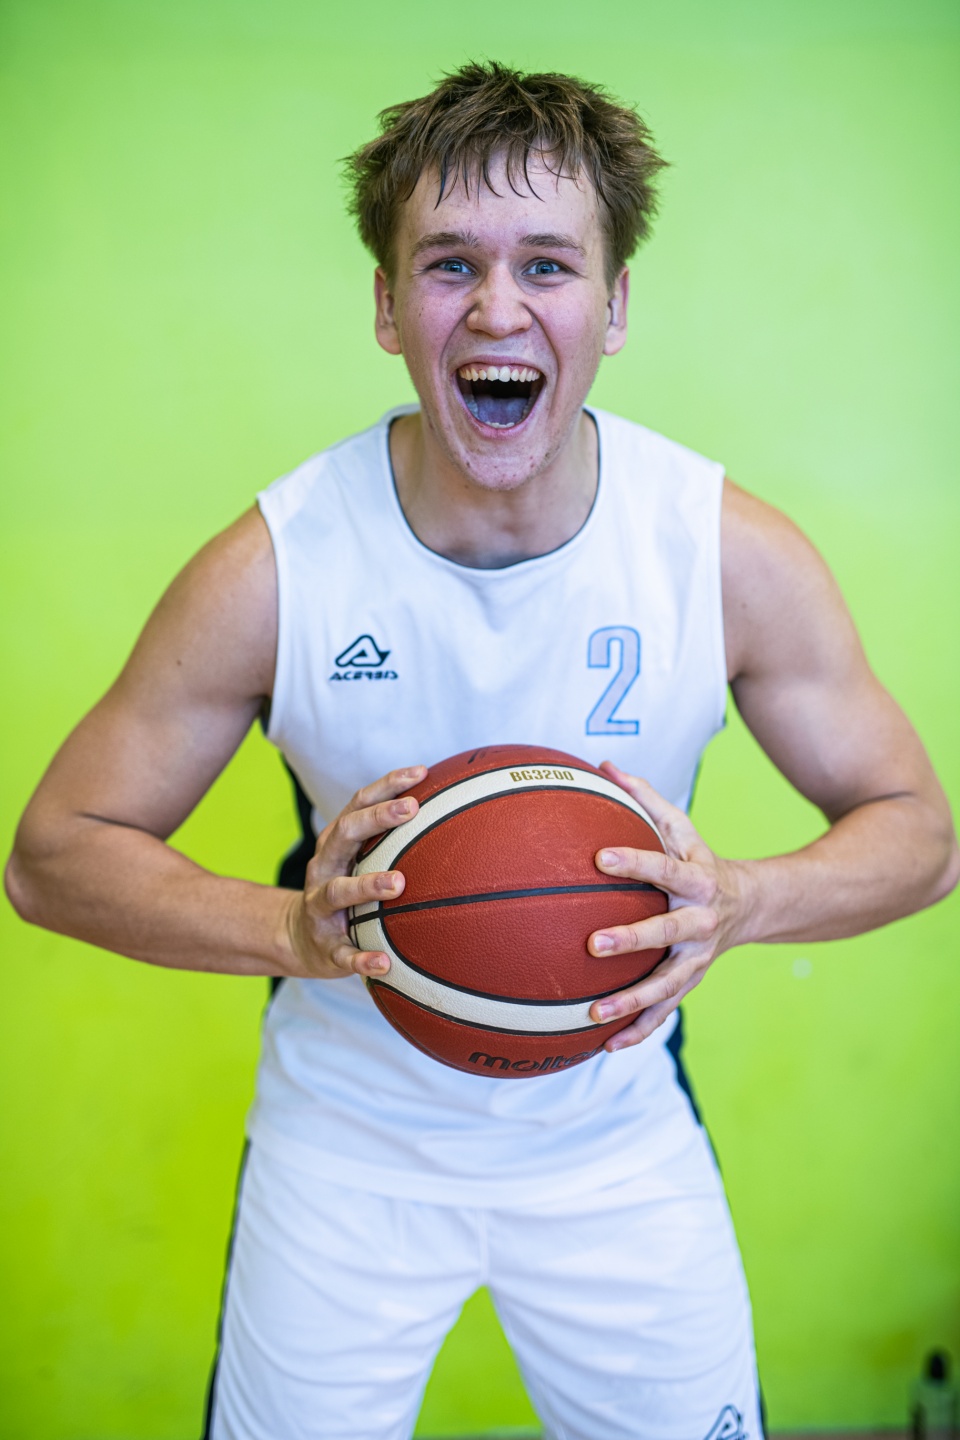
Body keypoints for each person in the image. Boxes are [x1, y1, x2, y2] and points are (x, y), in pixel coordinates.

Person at [5, 61, 957, 1440]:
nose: (499, 309)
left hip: (614, 1141)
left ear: (613, 306)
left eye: (548, 265)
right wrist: (292, 929)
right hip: (344, 1148)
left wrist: (744, 899)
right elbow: (51, 857)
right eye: (450, 264)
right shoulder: (279, 566)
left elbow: (919, 830)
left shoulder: (718, 553)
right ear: (388, 306)